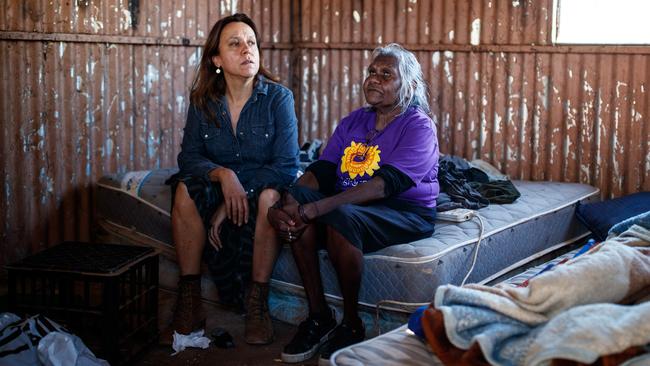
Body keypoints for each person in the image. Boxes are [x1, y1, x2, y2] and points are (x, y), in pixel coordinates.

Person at [268, 43, 440, 364]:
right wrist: (289, 203)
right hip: (353, 205)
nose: (374, 79)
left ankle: (351, 322)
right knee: (300, 201)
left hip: (404, 211)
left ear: (410, 86)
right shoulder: (354, 121)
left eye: (386, 74)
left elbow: (384, 185)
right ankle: (319, 316)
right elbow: (322, 170)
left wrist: (316, 209)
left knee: (339, 213)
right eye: (372, 72)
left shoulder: (418, 125)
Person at [163, 13, 300, 346]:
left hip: (262, 184)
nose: (246, 50)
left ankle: (257, 304)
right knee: (184, 189)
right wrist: (223, 176)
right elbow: (189, 158)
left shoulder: (278, 99)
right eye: (235, 44)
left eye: (251, 43)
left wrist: (237, 192)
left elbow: (286, 165)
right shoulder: (203, 101)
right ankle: (190, 298)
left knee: (269, 198)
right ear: (217, 59)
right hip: (222, 184)